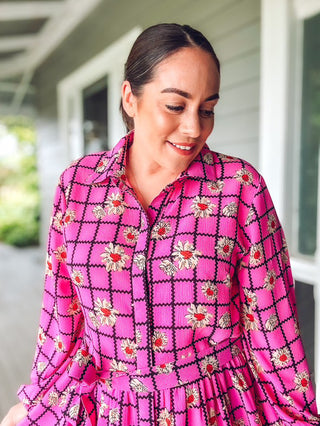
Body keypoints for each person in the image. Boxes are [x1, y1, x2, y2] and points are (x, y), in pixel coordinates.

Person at [1, 23, 319, 426]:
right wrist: (36, 403)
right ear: (129, 98)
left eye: (207, 109)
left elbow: (275, 333)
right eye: (176, 105)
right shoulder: (77, 186)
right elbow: (62, 322)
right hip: (110, 411)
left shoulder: (239, 189)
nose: (194, 128)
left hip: (216, 410)